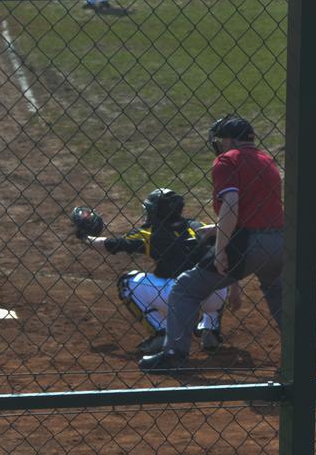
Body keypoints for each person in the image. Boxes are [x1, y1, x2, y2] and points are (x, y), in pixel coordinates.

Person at [139, 115, 284, 372]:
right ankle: (304, 349)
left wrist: (219, 249)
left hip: (248, 243)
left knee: (185, 288)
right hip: (280, 243)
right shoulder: (267, 161)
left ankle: (174, 354)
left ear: (228, 140)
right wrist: (218, 229)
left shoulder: (227, 160)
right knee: (276, 293)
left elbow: (231, 206)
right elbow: (258, 209)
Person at [78, 188, 230, 355]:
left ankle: (161, 332)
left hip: (176, 298)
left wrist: (86, 238)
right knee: (219, 269)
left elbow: (111, 244)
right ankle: (211, 329)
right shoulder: (198, 226)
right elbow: (226, 253)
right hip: (213, 295)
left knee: (126, 282)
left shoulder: (150, 232)